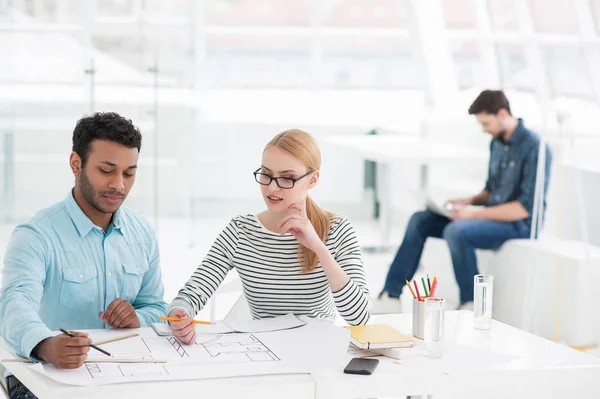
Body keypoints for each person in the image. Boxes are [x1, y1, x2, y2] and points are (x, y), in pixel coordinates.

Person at [0, 112, 168, 398]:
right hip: (43, 376)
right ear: (76, 164)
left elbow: (157, 307)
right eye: (107, 171)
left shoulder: (142, 232)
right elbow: (12, 306)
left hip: (120, 374)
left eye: (129, 173)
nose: (120, 185)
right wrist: (45, 344)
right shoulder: (35, 235)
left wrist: (136, 318)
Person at [167, 129, 372, 344]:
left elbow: (360, 318)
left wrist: (319, 248)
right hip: (263, 352)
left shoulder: (338, 229)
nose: (272, 188)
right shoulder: (240, 230)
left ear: (312, 179)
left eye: (287, 178)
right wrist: (180, 313)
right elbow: (195, 289)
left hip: (317, 353)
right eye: (266, 174)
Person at [375, 90, 552, 312]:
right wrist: (467, 201)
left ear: (502, 114)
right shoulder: (497, 143)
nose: (484, 129)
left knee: (457, 231)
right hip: (490, 218)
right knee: (420, 220)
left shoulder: (536, 147)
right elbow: (491, 191)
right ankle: (390, 295)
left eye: (486, 123)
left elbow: (524, 209)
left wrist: (473, 215)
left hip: (519, 225)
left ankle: (471, 303)